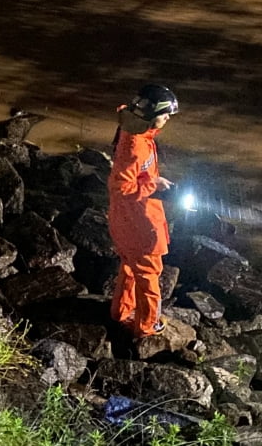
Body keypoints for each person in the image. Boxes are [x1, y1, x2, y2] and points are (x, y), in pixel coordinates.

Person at [107, 84, 178, 338]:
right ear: (151, 114)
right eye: (166, 113)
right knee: (149, 277)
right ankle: (148, 325)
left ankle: (121, 312)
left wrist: (151, 181)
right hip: (141, 226)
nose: (168, 118)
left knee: (129, 267)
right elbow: (122, 187)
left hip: (125, 223)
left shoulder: (134, 134)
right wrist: (154, 184)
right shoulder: (135, 146)